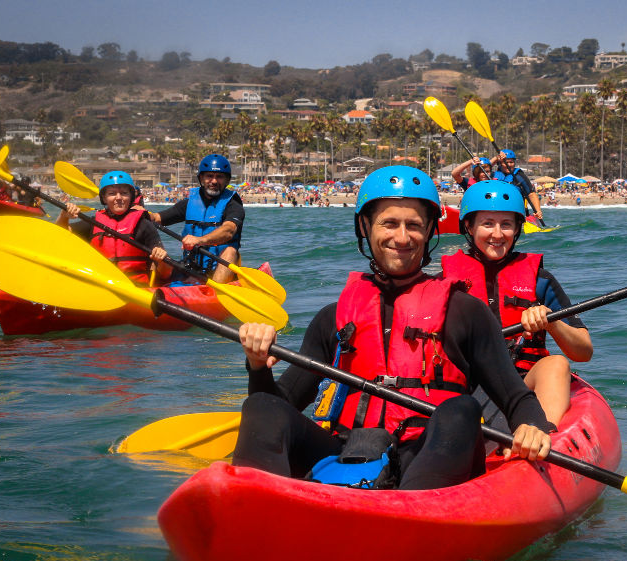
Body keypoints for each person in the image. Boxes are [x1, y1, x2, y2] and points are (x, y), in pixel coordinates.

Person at [232, 165, 553, 490]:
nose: (402, 237)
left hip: (428, 457)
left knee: (462, 409)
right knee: (259, 406)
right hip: (349, 453)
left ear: (429, 230)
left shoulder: (465, 312)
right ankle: (254, 502)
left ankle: (413, 514)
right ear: (365, 225)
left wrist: (531, 427)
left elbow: (516, 399)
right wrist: (258, 365)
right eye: (389, 223)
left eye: (414, 225)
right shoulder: (334, 317)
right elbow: (278, 406)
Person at [440, 180, 592, 426]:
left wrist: (551, 322)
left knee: (556, 364)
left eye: (506, 225)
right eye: (487, 224)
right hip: (467, 385)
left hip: (524, 381)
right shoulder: (444, 282)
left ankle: (543, 438)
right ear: (469, 226)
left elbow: (583, 352)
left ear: (518, 228)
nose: (498, 234)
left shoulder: (541, 281)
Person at [56, 171, 171, 285]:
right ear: (104, 198)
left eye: (124, 193)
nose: (119, 198)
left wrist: (162, 260)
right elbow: (59, 236)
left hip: (135, 289)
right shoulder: (93, 222)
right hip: (101, 287)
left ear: (131, 197)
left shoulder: (144, 224)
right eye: (112, 194)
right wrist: (63, 216)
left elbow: (166, 274)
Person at [148, 154, 244, 283]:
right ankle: (150, 287)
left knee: (231, 251)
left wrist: (200, 240)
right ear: (201, 178)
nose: (214, 181)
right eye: (209, 176)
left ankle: (214, 293)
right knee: (158, 254)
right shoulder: (189, 203)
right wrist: (142, 213)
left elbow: (229, 230)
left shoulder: (233, 205)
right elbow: (157, 218)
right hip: (190, 267)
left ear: (227, 181)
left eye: (219, 177)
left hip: (219, 270)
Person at [493, 149, 542, 221]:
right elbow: (483, 167)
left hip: (517, 212)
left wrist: (538, 211)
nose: (509, 165)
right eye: (506, 162)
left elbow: (531, 194)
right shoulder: (494, 174)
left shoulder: (519, 176)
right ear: (500, 163)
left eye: (511, 162)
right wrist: (496, 158)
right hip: (498, 210)